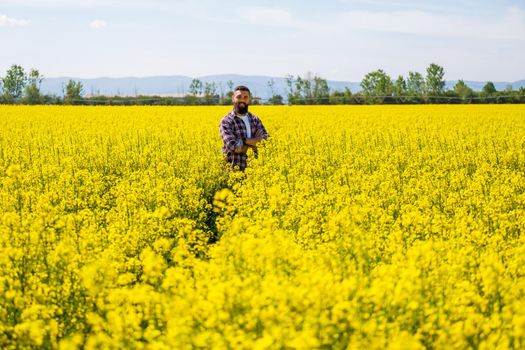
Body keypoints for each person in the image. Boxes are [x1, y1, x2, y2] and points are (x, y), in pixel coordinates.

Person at [219, 85, 269, 171]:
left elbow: (267, 141)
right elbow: (234, 147)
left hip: (256, 171)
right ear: (233, 98)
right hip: (234, 170)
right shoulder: (226, 121)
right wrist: (255, 142)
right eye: (239, 97)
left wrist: (243, 141)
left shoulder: (255, 119)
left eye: (245, 97)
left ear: (249, 100)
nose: (242, 99)